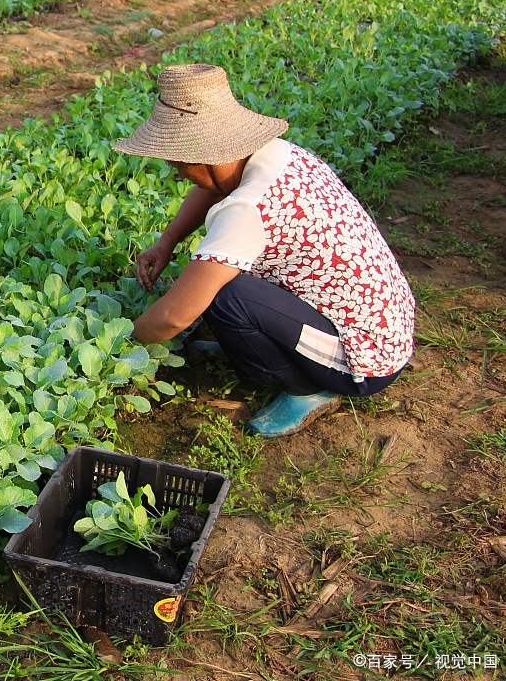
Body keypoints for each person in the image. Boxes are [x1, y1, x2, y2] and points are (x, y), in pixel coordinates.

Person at [116, 64, 416, 437]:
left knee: (224, 294)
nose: (178, 174)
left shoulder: (247, 209)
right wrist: (167, 242)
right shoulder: (276, 155)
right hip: (385, 323)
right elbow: (213, 184)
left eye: (178, 164)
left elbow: (175, 316)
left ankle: (308, 389)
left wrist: (117, 344)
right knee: (220, 280)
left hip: (365, 360)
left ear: (203, 156)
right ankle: (266, 344)